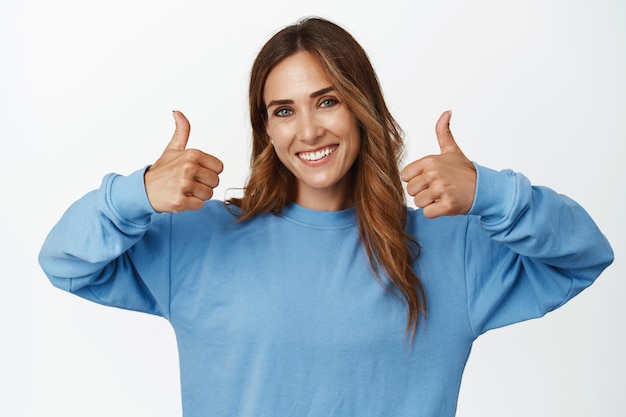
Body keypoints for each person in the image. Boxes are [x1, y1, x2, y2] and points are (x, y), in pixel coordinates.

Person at [39, 16, 613, 417]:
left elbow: (586, 254)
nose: (308, 130)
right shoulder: (199, 238)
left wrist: (491, 192)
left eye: (329, 100)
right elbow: (64, 261)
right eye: (283, 110)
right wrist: (135, 195)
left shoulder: (452, 249)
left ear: (363, 110)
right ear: (266, 129)